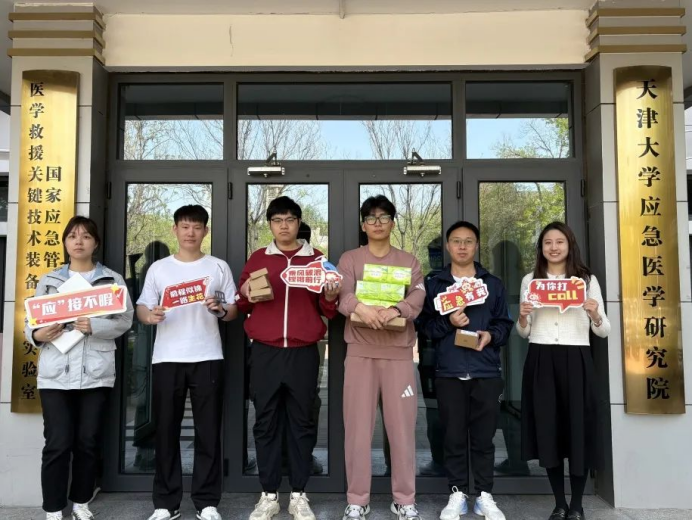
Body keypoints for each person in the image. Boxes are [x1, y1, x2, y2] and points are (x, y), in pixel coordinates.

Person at [236, 196, 340, 520]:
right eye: (277, 220)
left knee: (302, 422)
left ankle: (298, 494)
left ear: (298, 223)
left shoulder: (317, 260)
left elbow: (328, 311)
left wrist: (331, 296)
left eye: (290, 220)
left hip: (303, 352)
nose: (284, 226)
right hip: (265, 351)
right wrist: (246, 293)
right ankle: (268, 495)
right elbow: (242, 303)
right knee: (265, 422)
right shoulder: (258, 258)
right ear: (270, 224)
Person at [25, 216, 134, 520]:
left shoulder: (111, 280)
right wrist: (38, 335)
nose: (78, 242)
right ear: (64, 242)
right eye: (72, 236)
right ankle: (53, 508)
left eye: (86, 236)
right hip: (55, 374)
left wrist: (95, 326)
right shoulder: (50, 280)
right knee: (57, 443)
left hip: (95, 372)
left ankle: (81, 502)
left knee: (87, 442)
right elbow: (30, 322)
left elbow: (125, 320)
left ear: (95, 243)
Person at [137, 205, 238, 520]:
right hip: (167, 357)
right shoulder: (159, 269)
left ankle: (207, 502)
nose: (190, 232)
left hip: (207, 356)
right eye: (184, 226)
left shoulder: (218, 267)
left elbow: (233, 309)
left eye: (196, 227)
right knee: (166, 431)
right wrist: (150, 316)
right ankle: (166, 503)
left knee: (208, 431)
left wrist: (220, 309)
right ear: (174, 230)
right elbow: (142, 307)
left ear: (205, 231)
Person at [337, 195, 425, 520]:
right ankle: (357, 500)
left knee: (401, 430)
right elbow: (343, 293)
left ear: (392, 222)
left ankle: (404, 499)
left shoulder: (409, 261)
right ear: (363, 225)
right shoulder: (350, 259)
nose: (377, 223)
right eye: (371, 218)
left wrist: (395, 310)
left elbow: (418, 294)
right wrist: (360, 308)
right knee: (358, 431)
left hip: (398, 354)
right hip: (360, 352)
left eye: (384, 217)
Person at [418, 221, 513, 520]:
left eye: (468, 241)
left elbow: (504, 324)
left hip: (485, 371)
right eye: (456, 241)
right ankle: (457, 493)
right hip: (449, 371)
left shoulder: (492, 284)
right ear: (448, 246)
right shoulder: (435, 284)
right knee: (454, 436)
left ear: (476, 245)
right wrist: (449, 322)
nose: (462, 246)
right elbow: (425, 327)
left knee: (484, 438)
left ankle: (484, 494)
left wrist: (490, 336)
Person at [518, 222, 610, 520]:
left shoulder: (586, 280)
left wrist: (594, 313)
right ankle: (559, 504)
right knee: (549, 431)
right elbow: (524, 332)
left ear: (570, 245)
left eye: (560, 242)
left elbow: (604, 330)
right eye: (548, 242)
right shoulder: (531, 280)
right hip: (541, 357)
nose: (553, 247)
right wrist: (522, 317)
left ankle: (577, 505)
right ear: (541, 247)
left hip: (577, 358)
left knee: (578, 431)